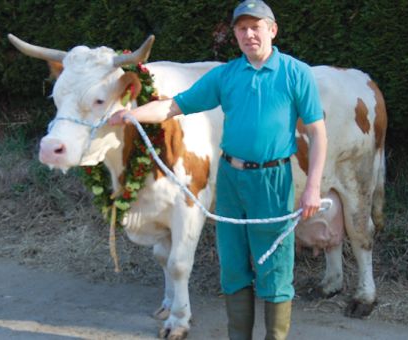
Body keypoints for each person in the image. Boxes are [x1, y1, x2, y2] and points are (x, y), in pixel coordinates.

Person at [110, 1, 327, 339]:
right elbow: (174, 105)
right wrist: (130, 115)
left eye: (256, 27)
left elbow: (317, 133)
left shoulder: (296, 73)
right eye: (242, 28)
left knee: (275, 267)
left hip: (273, 181)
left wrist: (312, 186)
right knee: (233, 266)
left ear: (273, 30)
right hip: (230, 179)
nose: (249, 34)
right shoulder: (226, 75)